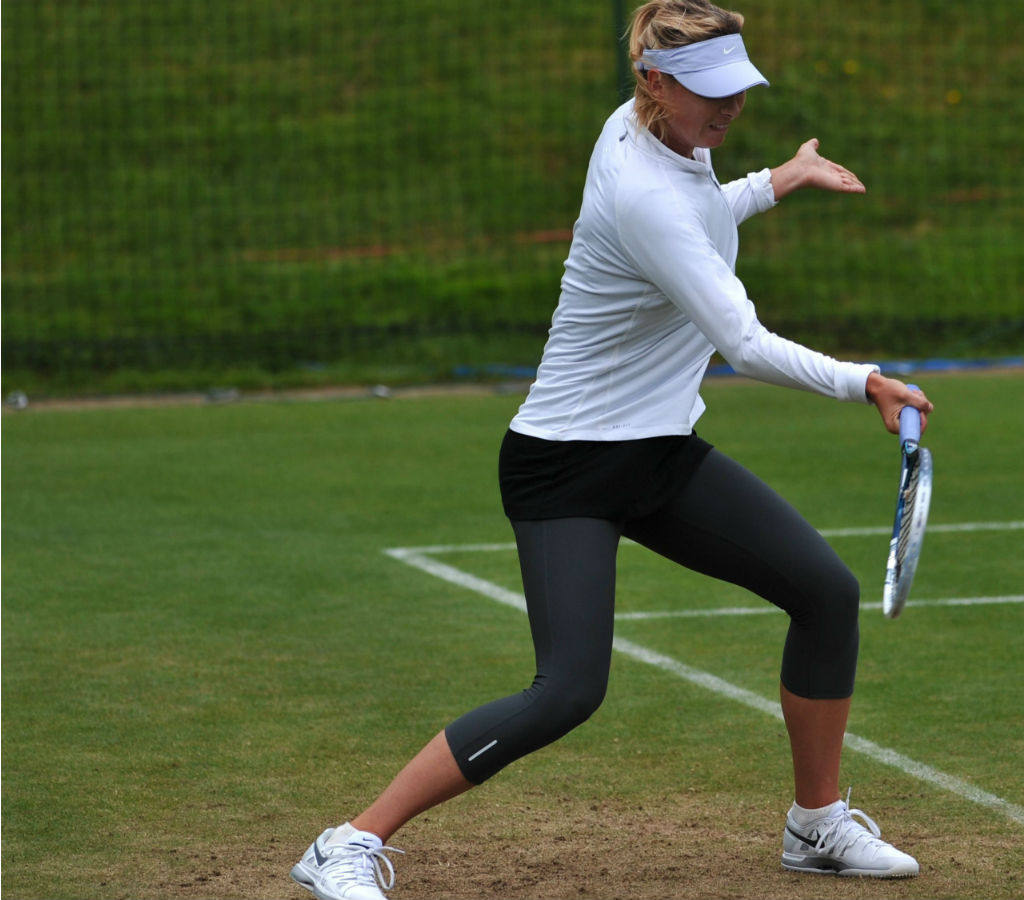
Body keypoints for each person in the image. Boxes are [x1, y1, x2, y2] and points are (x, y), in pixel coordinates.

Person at [290, 2, 931, 897]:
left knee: (826, 594)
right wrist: (863, 380)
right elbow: (740, 341)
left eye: (738, 89)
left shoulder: (662, 137)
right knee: (567, 691)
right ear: (657, 84)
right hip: (568, 465)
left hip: (659, 453)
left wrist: (774, 181)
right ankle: (347, 842)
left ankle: (815, 825)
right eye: (711, 93)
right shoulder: (641, 189)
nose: (730, 108)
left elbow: (701, 217)